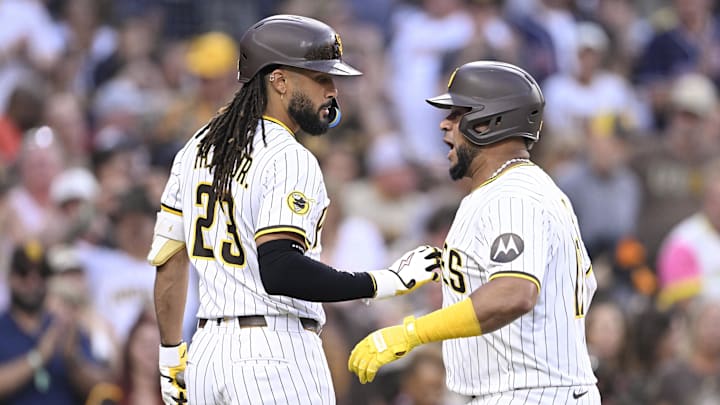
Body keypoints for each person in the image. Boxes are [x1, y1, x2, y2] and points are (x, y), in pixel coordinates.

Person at [148, 15, 441, 405]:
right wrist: (386, 281)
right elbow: (281, 268)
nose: (333, 90)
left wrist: (171, 358)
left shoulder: (196, 149)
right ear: (280, 80)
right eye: (320, 78)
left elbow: (170, 262)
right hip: (274, 354)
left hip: (206, 355)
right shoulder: (289, 157)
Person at [348, 61, 600, 404]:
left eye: (456, 114)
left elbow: (514, 292)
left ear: (488, 122)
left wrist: (412, 332)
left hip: (534, 393)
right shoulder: (513, 190)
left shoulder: (513, 194)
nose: (444, 124)